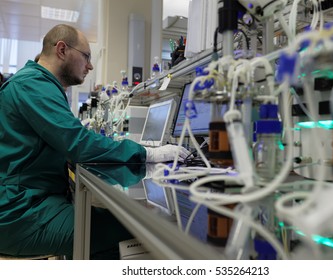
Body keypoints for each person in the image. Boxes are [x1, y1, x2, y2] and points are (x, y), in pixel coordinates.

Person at [0, 24, 190, 259]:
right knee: (137, 225)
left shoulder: (37, 83)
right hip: (20, 213)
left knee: (119, 218)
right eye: (86, 56)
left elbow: (70, 139)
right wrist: (148, 154)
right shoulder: (32, 85)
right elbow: (78, 143)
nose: (90, 65)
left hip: (28, 202)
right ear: (61, 49)